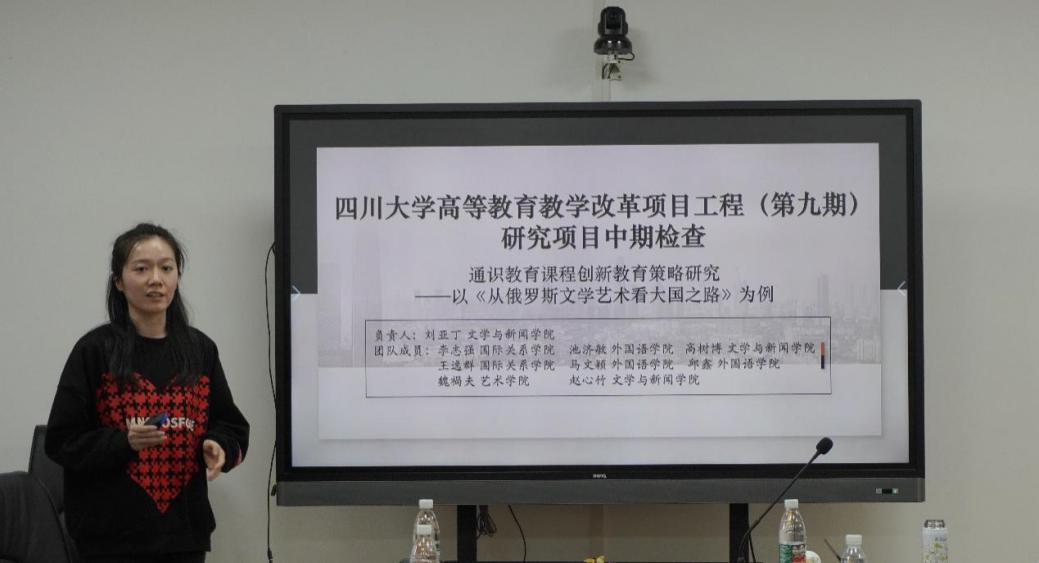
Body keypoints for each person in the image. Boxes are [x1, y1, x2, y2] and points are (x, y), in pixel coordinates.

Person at [45, 223, 249, 563]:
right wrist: (123, 441)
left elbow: (232, 427)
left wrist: (218, 445)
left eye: (166, 268)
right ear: (118, 280)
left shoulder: (200, 351)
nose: (156, 279)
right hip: (109, 539)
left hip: (184, 536)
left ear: (177, 276)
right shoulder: (94, 351)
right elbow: (61, 441)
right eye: (141, 269)